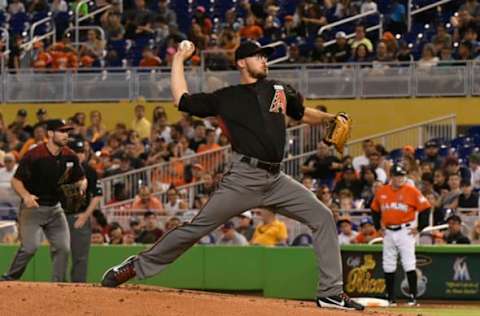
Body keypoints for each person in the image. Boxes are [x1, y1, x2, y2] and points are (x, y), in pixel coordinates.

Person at [101, 40, 364, 311]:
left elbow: (300, 114)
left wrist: (329, 118)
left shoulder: (279, 89)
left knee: (323, 217)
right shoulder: (227, 98)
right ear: (241, 62)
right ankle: (136, 266)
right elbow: (182, 99)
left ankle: (331, 293)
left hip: (277, 180)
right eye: (258, 55)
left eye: (265, 56)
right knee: (196, 229)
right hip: (244, 178)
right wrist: (179, 58)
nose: (264, 60)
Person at [0, 119, 86, 282]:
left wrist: (81, 185)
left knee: (63, 248)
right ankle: (9, 279)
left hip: (55, 209)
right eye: (62, 131)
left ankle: (58, 284)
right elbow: (15, 181)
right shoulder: (34, 155)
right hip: (33, 208)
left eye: (67, 131)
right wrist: (26, 196)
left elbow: (81, 178)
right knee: (30, 248)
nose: (66, 135)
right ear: (50, 134)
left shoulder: (70, 156)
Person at [370, 163, 431, 306]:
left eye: (402, 176)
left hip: (406, 231)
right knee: (388, 264)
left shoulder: (412, 191)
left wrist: (420, 227)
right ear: (391, 177)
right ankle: (390, 297)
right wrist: (378, 226)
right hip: (389, 231)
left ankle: (413, 297)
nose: (400, 179)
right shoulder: (382, 191)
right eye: (397, 176)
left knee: (409, 263)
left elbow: (426, 208)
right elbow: (374, 209)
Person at [64, 139, 103, 282]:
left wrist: (85, 216)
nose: (80, 155)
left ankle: (78, 290)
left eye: (82, 152)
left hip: (79, 217)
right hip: (60, 216)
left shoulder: (90, 171)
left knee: (80, 257)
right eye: (77, 152)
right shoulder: (61, 169)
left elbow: (97, 195)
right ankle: (57, 288)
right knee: (59, 255)